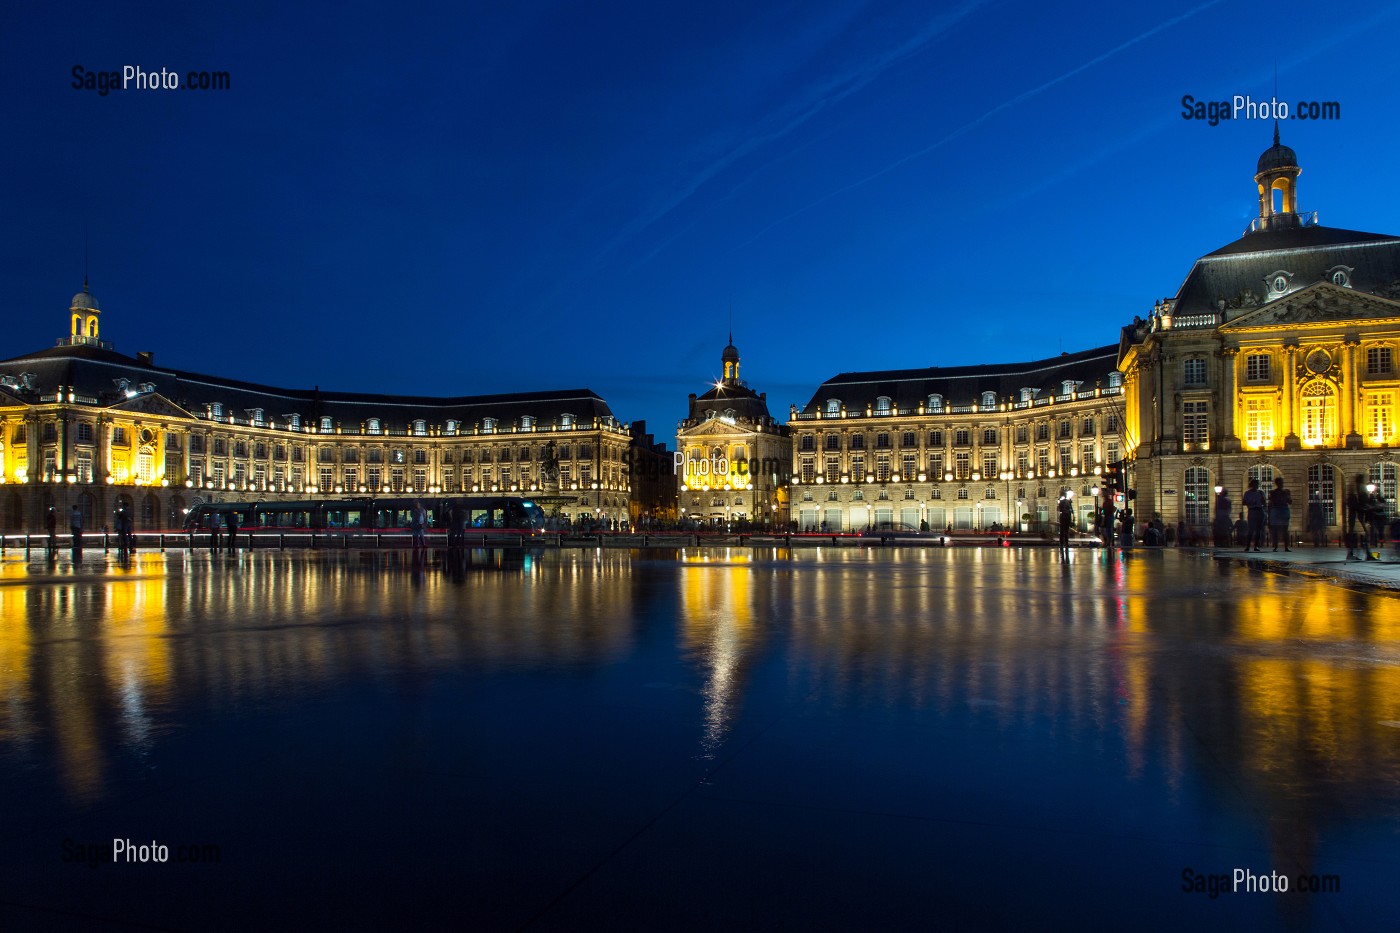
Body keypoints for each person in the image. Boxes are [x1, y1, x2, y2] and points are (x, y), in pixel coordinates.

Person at [1267, 477, 1292, 552]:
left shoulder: (1284, 492)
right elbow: (1271, 503)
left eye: (1282, 482)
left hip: (1282, 510)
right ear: (1277, 483)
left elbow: (1290, 501)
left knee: (1285, 530)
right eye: (1280, 482)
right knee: (1276, 530)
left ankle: (1285, 547)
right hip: (1278, 510)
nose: (1281, 484)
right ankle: (1276, 546)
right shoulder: (1273, 492)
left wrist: (1288, 496)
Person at [1241, 478, 1267, 552]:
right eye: (1255, 484)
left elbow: (1264, 503)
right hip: (1252, 510)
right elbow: (1244, 502)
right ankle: (1248, 546)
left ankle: (1256, 546)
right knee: (1251, 529)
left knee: (1258, 529)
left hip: (1259, 510)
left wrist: (1262, 499)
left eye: (1258, 484)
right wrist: (1251, 502)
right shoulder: (1247, 493)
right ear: (1252, 485)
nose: (1257, 486)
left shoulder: (1261, 492)